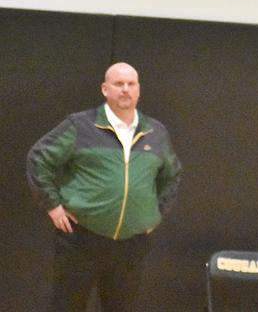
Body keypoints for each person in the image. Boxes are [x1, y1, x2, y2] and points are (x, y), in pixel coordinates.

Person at [26, 62, 182, 312]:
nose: (125, 89)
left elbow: (172, 176)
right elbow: (38, 158)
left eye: (131, 84)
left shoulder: (156, 132)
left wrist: (156, 213)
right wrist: (52, 206)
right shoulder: (80, 126)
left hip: (131, 246)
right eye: (118, 84)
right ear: (105, 89)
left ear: (139, 90)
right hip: (81, 239)